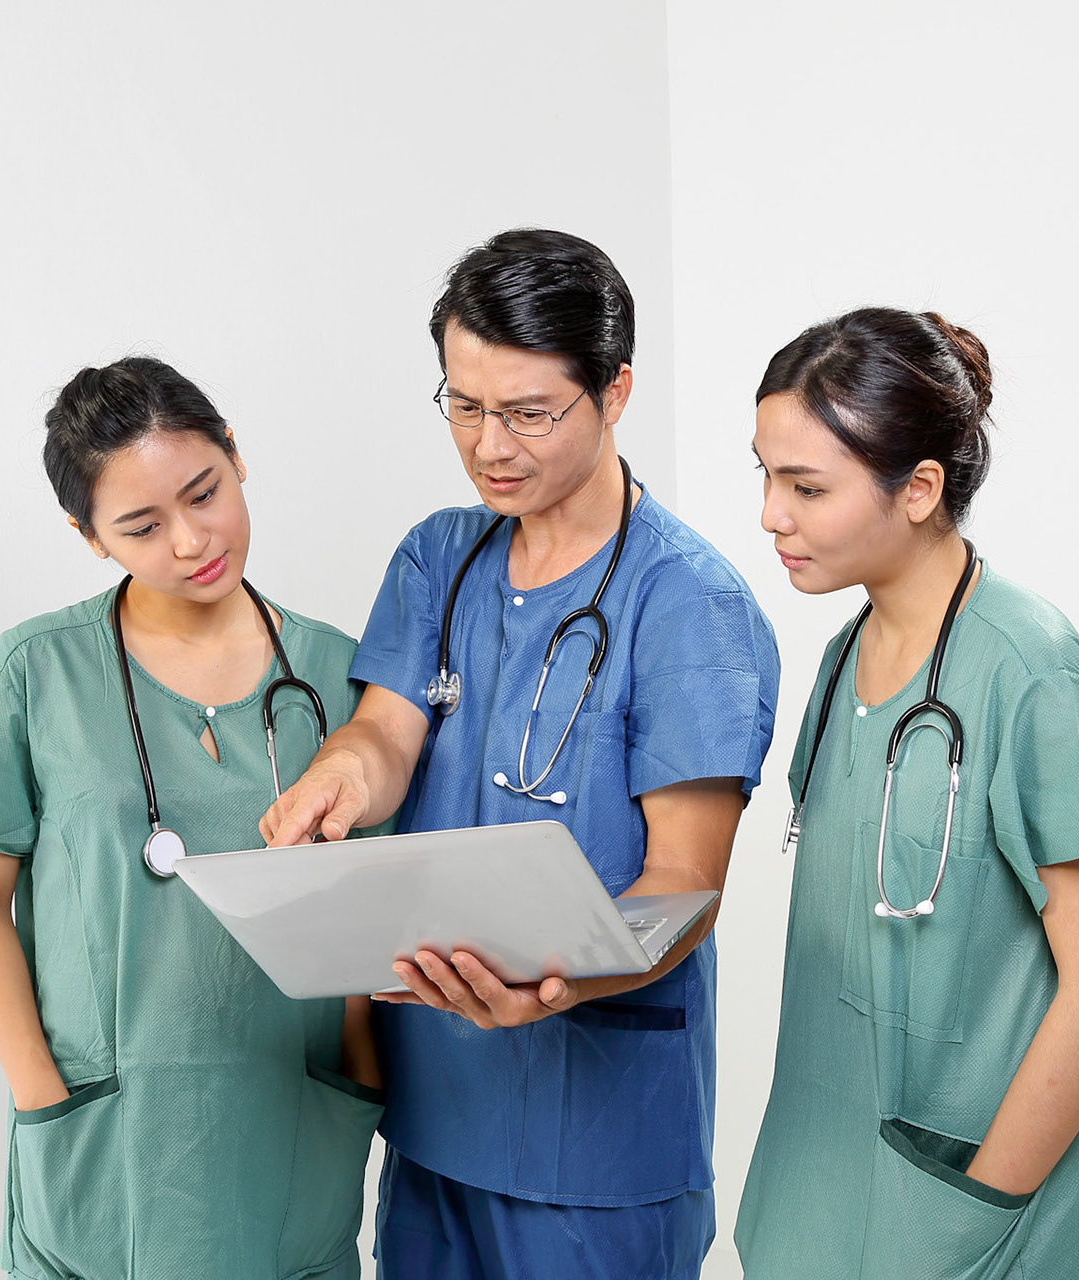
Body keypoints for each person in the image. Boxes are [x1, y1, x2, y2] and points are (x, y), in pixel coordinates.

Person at [260, 228, 780, 1279]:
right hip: (435, 1117)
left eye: (529, 412)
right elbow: (387, 732)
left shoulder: (689, 606)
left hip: (597, 1145)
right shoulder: (440, 557)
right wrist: (343, 771)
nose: (490, 445)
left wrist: (559, 982)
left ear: (616, 390)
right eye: (463, 405)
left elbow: (685, 881)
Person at [0, 357, 385, 1280]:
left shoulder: (341, 674)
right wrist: (41, 1092)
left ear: (236, 456)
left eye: (204, 493)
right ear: (89, 537)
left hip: (289, 1127)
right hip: (106, 1132)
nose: (192, 539)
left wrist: (359, 1065)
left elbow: (371, 901)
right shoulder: (34, 674)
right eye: (141, 526)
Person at [735, 309, 1079, 1278]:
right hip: (816, 1206)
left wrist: (965, 1218)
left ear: (919, 488)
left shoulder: (1033, 673)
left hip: (970, 1230)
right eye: (762, 472)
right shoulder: (841, 663)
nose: (768, 513)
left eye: (806, 485)